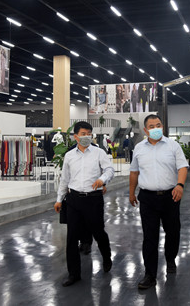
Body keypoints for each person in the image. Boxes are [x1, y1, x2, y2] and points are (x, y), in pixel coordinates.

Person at [129, 114, 188, 290]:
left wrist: (180, 185)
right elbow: (134, 172)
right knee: (149, 236)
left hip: (171, 196)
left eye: (158, 125)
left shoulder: (173, 146)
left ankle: (170, 259)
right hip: (147, 198)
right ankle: (150, 274)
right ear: (145, 130)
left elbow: (182, 167)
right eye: (152, 126)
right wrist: (131, 193)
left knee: (173, 232)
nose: (156, 128)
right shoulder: (139, 148)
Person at [54, 121, 114, 287]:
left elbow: (109, 170)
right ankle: (74, 274)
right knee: (72, 237)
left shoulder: (99, 153)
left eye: (89, 134)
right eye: (83, 134)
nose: (87, 136)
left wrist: (102, 179)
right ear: (76, 136)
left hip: (93, 199)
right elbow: (64, 179)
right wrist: (59, 199)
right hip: (73, 200)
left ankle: (107, 257)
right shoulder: (69, 156)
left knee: (98, 232)